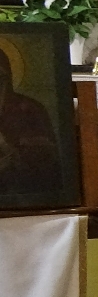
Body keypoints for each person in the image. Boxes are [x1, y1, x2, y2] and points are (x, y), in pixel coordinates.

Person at [0, 47, 62, 197]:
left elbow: (47, 160)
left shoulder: (30, 109)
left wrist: (13, 155)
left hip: (22, 190)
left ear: (7, 77)